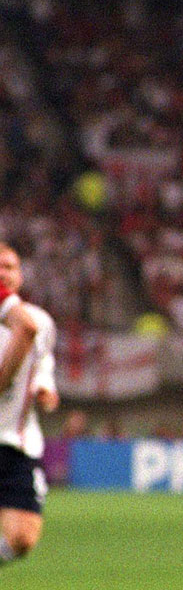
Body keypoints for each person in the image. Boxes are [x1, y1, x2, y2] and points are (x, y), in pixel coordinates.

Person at [0, 242, 54, 566]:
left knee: (21, 539)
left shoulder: (41, 321)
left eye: (10, 267)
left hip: (17, 444)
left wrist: (46, 388)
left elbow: (44, 365)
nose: (4, 273)